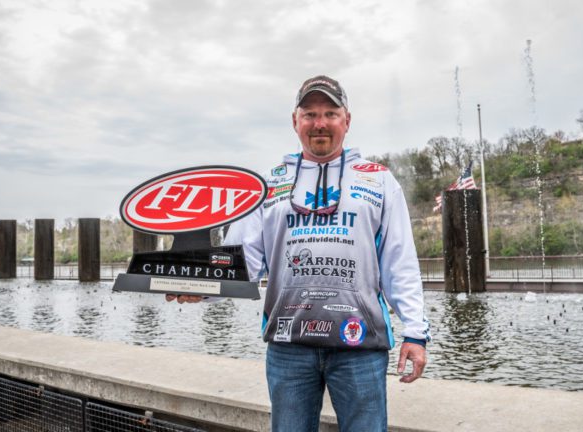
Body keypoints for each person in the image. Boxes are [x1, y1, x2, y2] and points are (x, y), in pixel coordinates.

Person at [170, 75, 430, 432]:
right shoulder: (269, 183)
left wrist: (415, 333)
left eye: (329, 113)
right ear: (295, 121)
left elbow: (399, 262)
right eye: (309, 114)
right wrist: (200, 287)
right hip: (288, 347)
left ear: (347, 121)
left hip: (360, 347)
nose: (319, 123)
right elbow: (242, 261)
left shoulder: (379, 179)